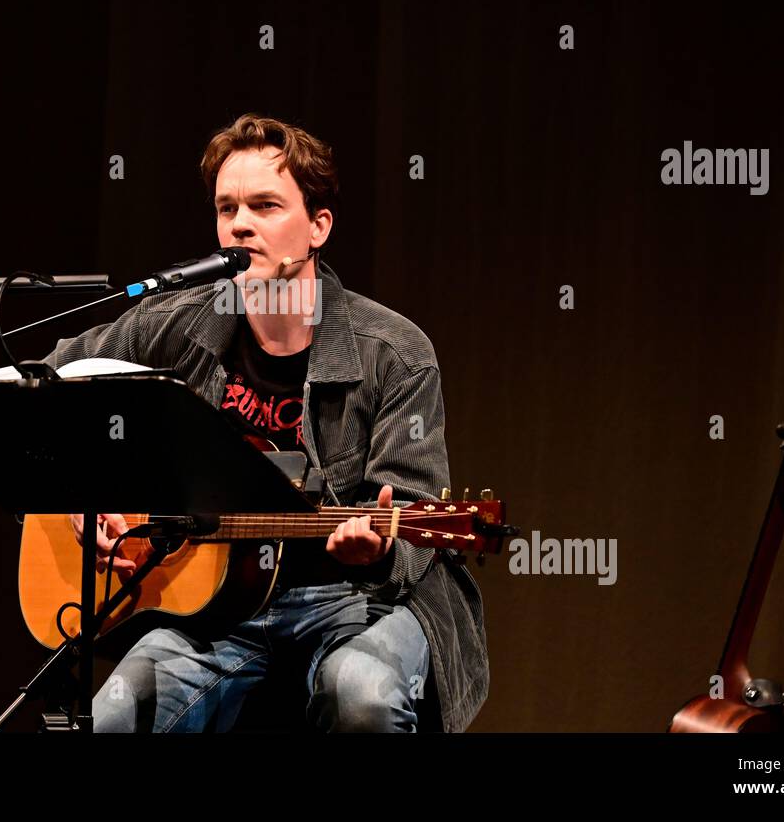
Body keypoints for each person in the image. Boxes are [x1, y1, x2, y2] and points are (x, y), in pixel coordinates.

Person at [46, 114, 489, 732]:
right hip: (216, 609)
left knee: (362, 692)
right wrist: (82, 490)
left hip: (357, 602)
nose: (241, 224)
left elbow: (412, 514)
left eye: (265, 205)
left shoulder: (393, 350)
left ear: (317, 228)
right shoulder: (172, 326)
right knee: (116, 716)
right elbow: (45, 387)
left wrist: (379, 544)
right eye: (228, 209)